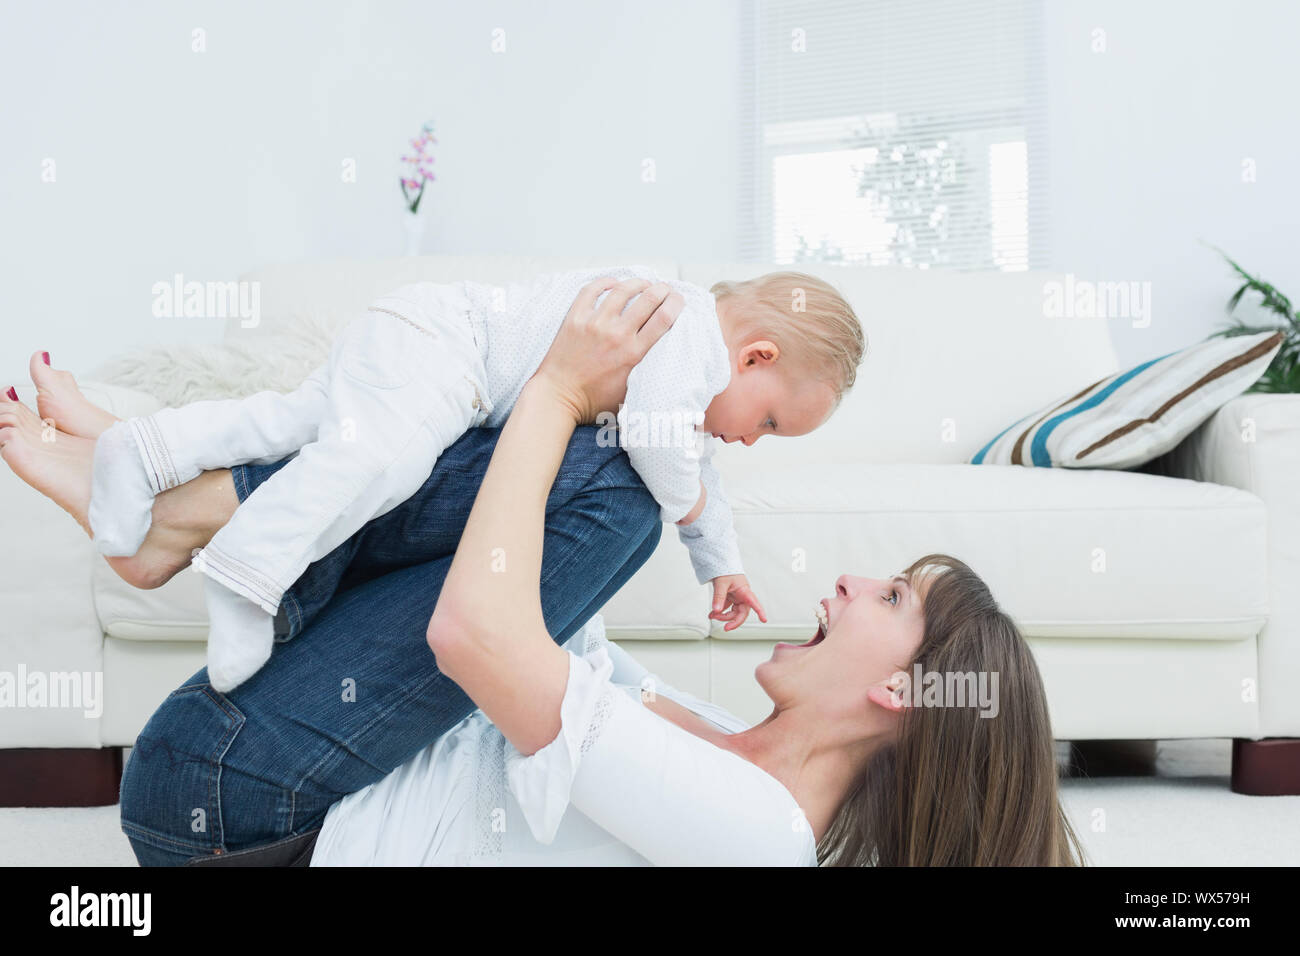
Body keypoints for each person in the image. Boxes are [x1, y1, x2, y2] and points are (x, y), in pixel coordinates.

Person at [0, 278, 1082, 865]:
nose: (848, 583)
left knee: (621, 485)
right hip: (282, 762)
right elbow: (523, 600)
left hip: (238, 806)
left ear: (904, 686)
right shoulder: (720, 740)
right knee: (607, 468)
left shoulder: (758, 836)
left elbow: (477, 636)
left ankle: (183, 501)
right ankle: (175, 491)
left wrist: (565, 386)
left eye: (889, 597)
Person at [84, 265, 864, 691]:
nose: (755, 441)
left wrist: (718, 561)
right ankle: (247, 574)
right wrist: (687, 501)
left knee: (293, 420)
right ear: (756, 355)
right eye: (769, 422)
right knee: (376, 464)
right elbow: (666, 449)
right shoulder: (685, 333)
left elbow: (698, 466)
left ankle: (142, 451)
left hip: (418, 331)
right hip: (445, 352)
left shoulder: (696, 359)